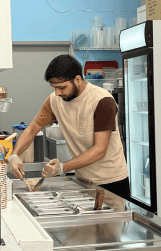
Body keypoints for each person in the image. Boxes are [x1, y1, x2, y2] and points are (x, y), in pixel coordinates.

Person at [8, 54, 130, 203]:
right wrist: (14, 156)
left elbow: (100, 149)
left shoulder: (102, 101)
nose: (58, 93)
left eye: (61, 87)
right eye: (54, 88)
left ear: (78, 79)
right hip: (83, 181)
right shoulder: (55, 100)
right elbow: (32, 129)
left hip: (111, 183)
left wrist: (62, 168)